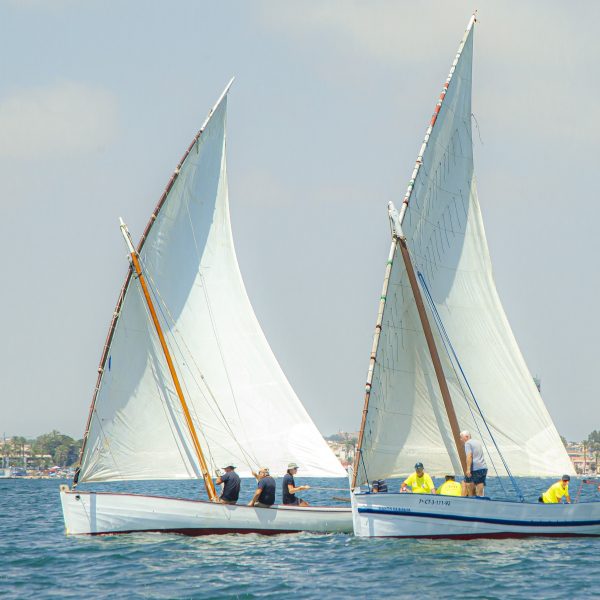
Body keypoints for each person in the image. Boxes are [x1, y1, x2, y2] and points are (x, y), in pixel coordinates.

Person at [460, 430, 488, 497]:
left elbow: (469, 456)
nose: (460, 439)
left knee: (465, 483)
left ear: (466, 437)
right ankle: (480, 499)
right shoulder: (477, 442)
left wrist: (468, 469)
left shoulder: (468, 443)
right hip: (483, 467)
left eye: (461, 437)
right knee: (480, 484)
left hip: (475, 468)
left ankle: (467, 501)